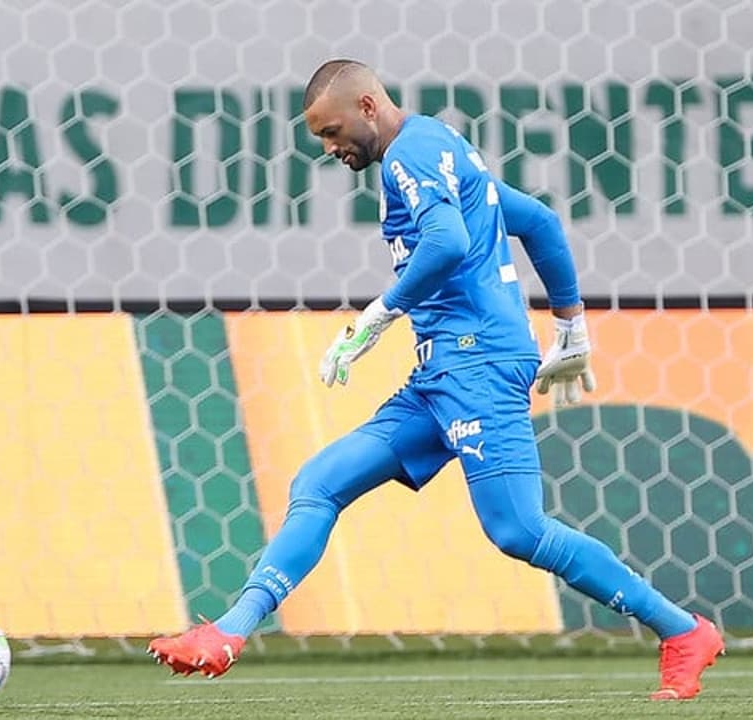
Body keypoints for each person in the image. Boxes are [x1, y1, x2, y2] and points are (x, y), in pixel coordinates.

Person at [149, 59, 724, 700]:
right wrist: (570, 327)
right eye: (319, 138)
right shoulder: (444, 148)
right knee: (319, 482)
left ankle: (682, 631)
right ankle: (228, 633)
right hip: (442, 372)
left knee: (518, 530)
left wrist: (377, 316)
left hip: (477, 365)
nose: (330, 148)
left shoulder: (407, 159)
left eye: (333, 131)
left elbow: (446, 243)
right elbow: (537, 220)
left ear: (368, 106)